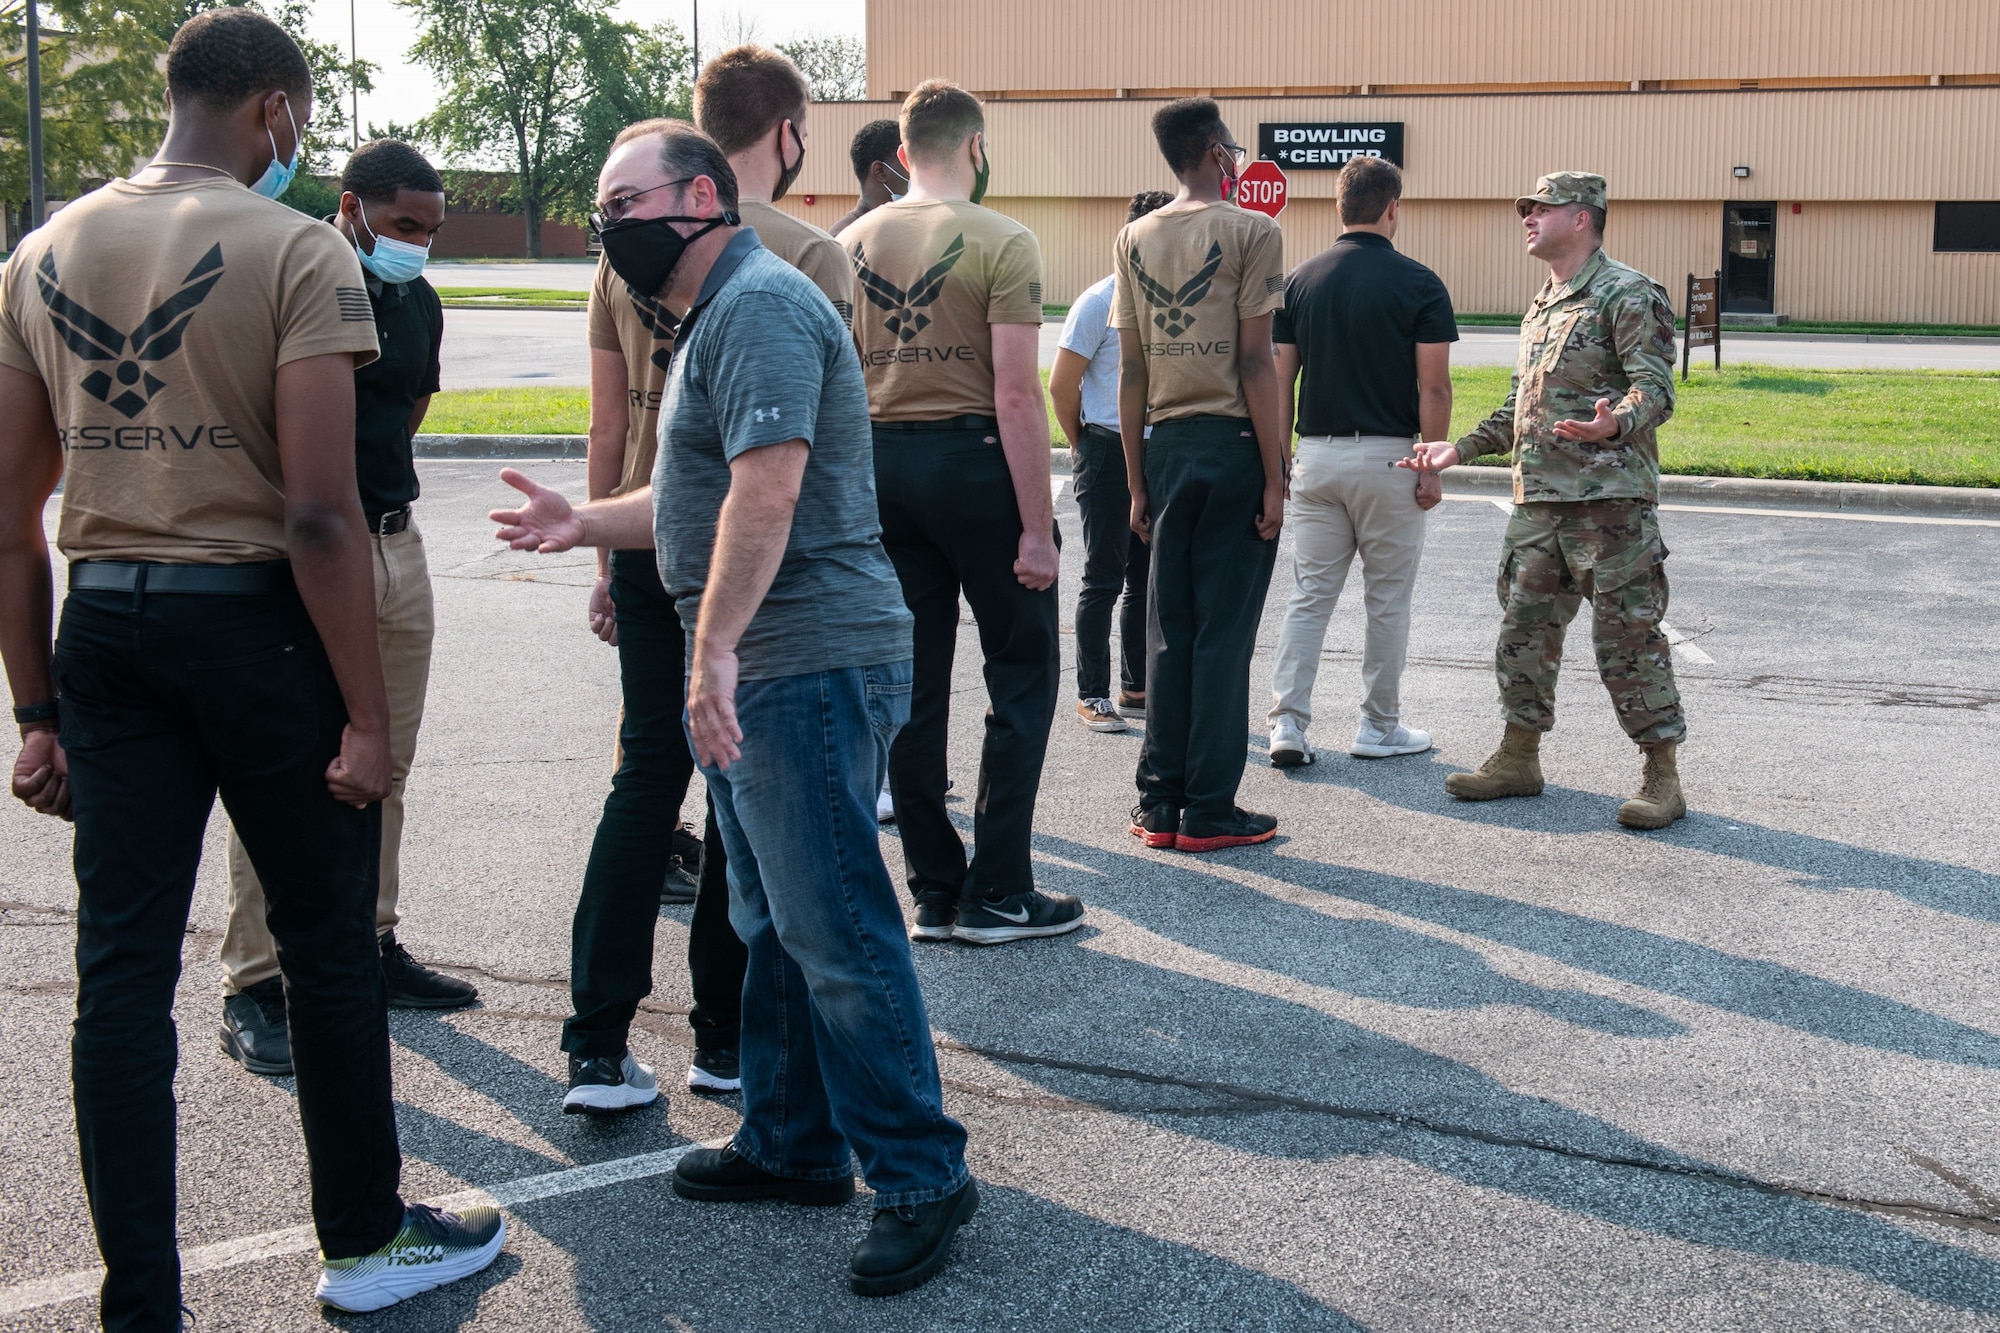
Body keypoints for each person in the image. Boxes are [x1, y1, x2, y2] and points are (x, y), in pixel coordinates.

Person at [0, 11, 503, 1324]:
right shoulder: (293, 251)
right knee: (327, 940)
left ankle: (142, 1300)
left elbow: (10, 516)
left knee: (120, 973)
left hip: (104, 626)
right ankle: (364, 1236)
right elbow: (322, 515)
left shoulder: (43, 251)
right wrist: (369, 720)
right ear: (277, 109)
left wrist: (34, 709)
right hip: (256, 623)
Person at [489, 119, 978, 1299]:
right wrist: (588, 521)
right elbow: (699, 485)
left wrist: (708, 654)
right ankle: (792, 1142)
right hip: (772, 659)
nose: (608, 226)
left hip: (800, 657)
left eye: (624, 201)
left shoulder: (756, 304)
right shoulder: (725, 308)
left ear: (700, 195)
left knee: (837, 926)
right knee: (770, 917)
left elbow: (770, 486)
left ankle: (920, 1175)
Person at [216, 138, 475, 1082]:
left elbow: (406, 415)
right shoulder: (291, 281)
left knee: (385, 759)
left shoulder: (418, 300)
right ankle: (254, 981)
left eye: (432, 230)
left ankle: (371, 936)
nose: (418, 245)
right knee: (286, 772)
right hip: (304, 553)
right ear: (351, 206)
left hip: (393, 544)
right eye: (403, 227)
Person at [841, 80, 1084, 946]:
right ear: (976, 147)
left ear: (902, 154)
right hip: (976, 466)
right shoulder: (1002, 238)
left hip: (879, 468)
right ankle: (1000, 890)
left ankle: (936, 888)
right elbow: (1016, 395)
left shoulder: (853, 239)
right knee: (1022, 673)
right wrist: (1035, 526)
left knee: (911, 687)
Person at [1398, 171, 1687, 830]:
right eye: (1524, 207)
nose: (1526, 216)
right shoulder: (1543, 304)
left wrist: (1613, 420)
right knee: (1522, 631)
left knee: (1628, 640)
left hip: (1609, 504)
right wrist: (1459, 449)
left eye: (1540, 207)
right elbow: (1517, 406)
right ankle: (1519, 757)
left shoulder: (1628, 293)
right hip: (1538, 503)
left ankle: (1662, 774)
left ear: (1582, 216)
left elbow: (1656, 390)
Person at [566, 117, 747, 1114]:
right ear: (792, 136)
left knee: (646, 776)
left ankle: (596, 1039)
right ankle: (721, 1035)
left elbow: (606, 420)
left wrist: (602, 551)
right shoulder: (795, 255)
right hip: (727, 551)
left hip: (641, 535)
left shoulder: (624, 260)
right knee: (729, 790)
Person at [1116, 98, 1288, 854]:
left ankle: (1160, 802)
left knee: (1167, 630)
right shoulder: (1254, 231)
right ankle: (1211, 807)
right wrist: (1276, 476)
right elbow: (1257, 360)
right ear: (1220, 152)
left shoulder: (1133, 237)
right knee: (1223, 633)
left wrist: (1135, 483)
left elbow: (1130, 369)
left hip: (1165, 446)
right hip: (1231, 445)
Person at [1265, 154, 1452, 769]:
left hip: (1315, 455)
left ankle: (1287, 725)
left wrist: (1280, 461)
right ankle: (1377, 727)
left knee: (1309, 597)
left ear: (1338, 208)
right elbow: (1434, 388)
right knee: (1387, 601)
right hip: (1391, 457)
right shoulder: (1421, 283)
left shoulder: (1299, 280)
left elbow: (1278, 379)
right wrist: (1428, 464)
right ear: (1393, 208)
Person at [1050, 189, 1172, 734]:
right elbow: (1060, 385)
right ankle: (1091, 694)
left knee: (1144, 577)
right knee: (1102, 576)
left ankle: (1136, 685)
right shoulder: (1099, 301)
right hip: (1103, 447)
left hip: (1157, 449)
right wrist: (1081, 444)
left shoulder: (1169, 301)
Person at [694, 44, 855, 324]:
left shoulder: (632, 250)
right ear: (785, 135)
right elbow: (835, 366)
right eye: (802, 137)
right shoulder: (814, 253)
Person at [831, 118, 907, 237]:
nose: (915, 173)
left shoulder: (896, 228)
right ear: (880, 171)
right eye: (908, 163)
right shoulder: (844, 237)